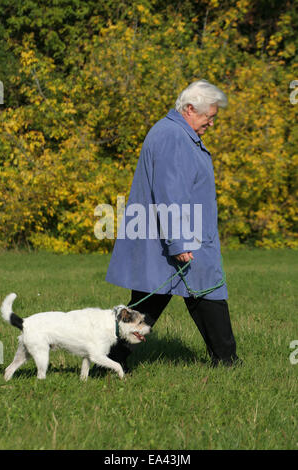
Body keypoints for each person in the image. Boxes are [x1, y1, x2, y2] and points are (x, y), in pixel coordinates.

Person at [105, 80, 240, 371]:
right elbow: (171, 192)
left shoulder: (175, 132)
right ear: (190, 109)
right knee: (192, 294)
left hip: (175, 235)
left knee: (166, 298)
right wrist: (178, 241)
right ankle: (227, 362)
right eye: (209, 117)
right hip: (176, 237)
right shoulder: (174, 136)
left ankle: (109, 361)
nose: (212, 124)